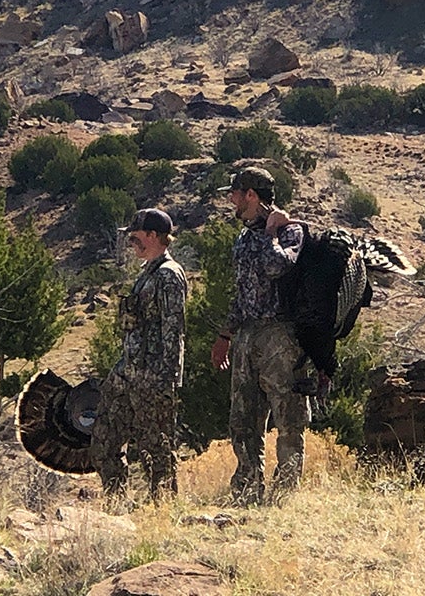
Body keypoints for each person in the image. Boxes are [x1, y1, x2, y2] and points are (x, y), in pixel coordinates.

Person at [210, 166, 308, 505]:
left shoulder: (291, 231)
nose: (231, 200)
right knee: (243, 418)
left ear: (251, 195)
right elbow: (242, 292)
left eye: (236, 193)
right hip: (247, 336)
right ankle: (247, 491)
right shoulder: (243, 237)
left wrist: (270, 232)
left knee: (287, 417)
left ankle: (286, 496)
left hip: (280, 337)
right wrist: (225, 334)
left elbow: (276, 267)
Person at [89, 207, 187, 503]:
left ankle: (163, 511)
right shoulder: (149, 273)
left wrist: (164, 380)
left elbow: (174, 329)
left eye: (136, 237)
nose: (131, 243)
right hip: (128, 373)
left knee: (156, 451)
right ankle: (116, 503)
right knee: (103, 442)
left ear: (154, 236)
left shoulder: (169, 275)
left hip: (152, 378)